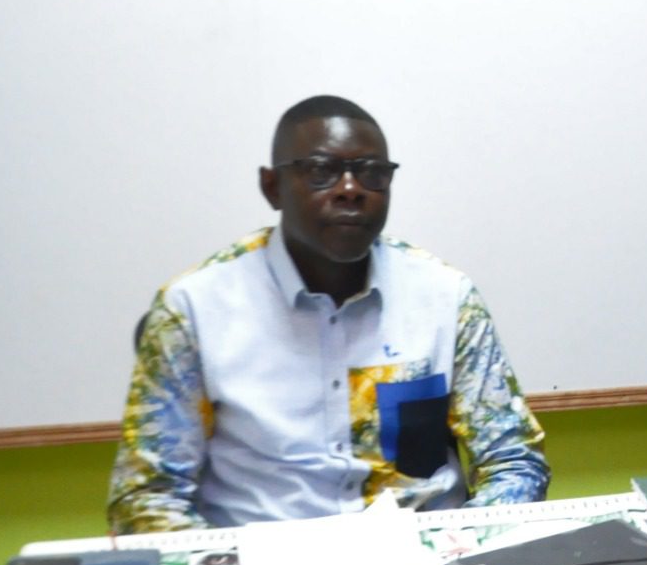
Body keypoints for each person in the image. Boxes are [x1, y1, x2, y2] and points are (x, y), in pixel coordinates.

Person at [108, 96, 548, 532]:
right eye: (321, 171)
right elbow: (147, 497)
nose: (350, 189)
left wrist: (459, 547)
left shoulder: (445, 297)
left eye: (372, 173)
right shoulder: (194, 308)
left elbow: (514, 460)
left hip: (427, 557)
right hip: (262, 561)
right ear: (272, 187)